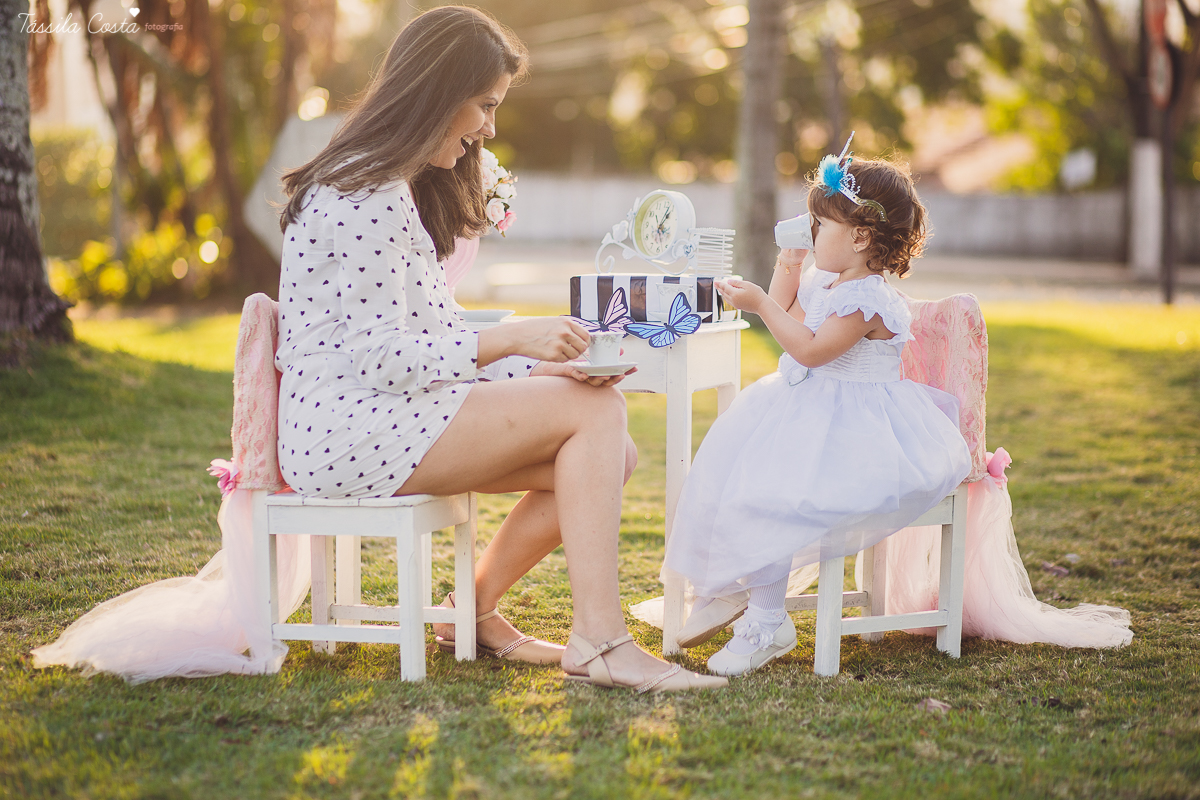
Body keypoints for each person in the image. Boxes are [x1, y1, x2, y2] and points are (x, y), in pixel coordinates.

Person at [275, 6, 725, 693]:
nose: (489, 127)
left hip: (373, 414)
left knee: (614, 450)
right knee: (596, 418)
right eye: (484, 105)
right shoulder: (366, 193)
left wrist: (534, 366)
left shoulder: (385, 183)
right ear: (437, 91)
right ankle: (601, 642)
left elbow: (431, 331)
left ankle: (470, 610)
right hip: (347, 428)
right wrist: (514, 338)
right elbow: (384, 360)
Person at [660, 141, 972, 677]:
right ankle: (742, 592)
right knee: (734, 477)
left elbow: (806, 348)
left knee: (777, 494)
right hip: (806, 409)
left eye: (820, 225)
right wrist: (787, 265)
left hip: (858, 429)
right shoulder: (830, 280)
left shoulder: (868, 298)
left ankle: (764, 619)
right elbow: (785, 313)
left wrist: (759, 303)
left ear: (859, 237)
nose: (811, 232)